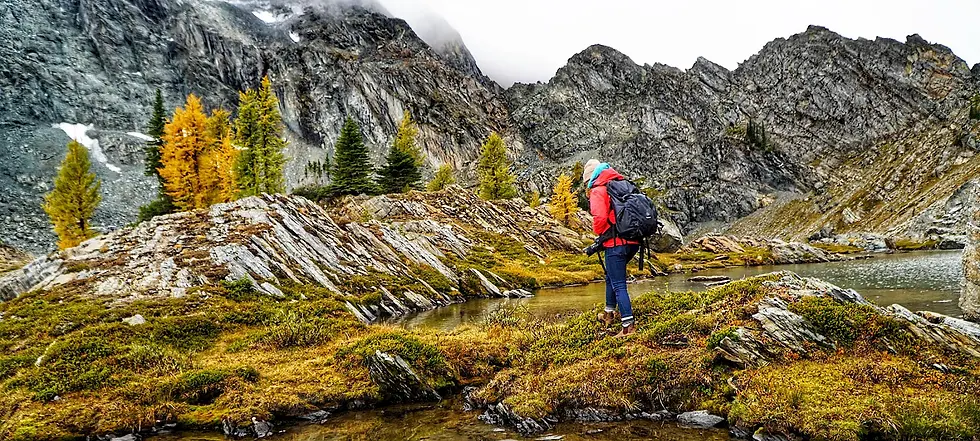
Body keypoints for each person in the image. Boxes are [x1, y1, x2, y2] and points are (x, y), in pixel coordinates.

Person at [583, 159, 639, 337]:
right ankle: (609, 313)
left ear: (590, 177)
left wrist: (600, 234)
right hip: (633, 241)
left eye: (586, 183)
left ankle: (628, 326)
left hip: (615, 243)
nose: (587, 186)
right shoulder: (620, 184)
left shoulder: (599, 190)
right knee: (611, 276)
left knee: (619, 284)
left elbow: (599, 217)